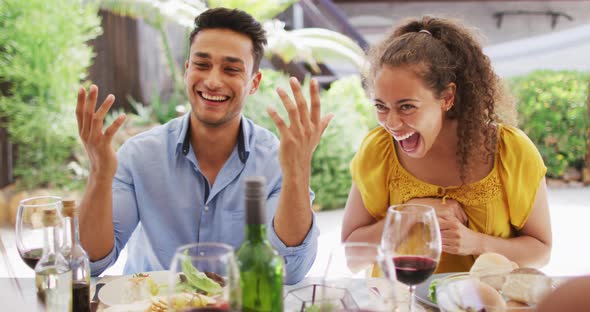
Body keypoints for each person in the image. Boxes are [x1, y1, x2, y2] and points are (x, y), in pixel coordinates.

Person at [75, 7, 333, 284]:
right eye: (202, 65)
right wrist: (99, 173)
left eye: (231, 69)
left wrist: (298, 170)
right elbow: (90, 262)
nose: (212, 81)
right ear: (187, 70)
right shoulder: (139, 155)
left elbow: (288, 270)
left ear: (254, 82)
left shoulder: (276, 160)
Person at [341, 16, 552, 272]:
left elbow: (541, 252)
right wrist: (411, 213)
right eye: (381, 106)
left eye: (407, 106)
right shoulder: (378, 150)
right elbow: (353, 257)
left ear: (447, 97)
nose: (392, 123)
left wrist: (476, 243)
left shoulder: (510, 150)